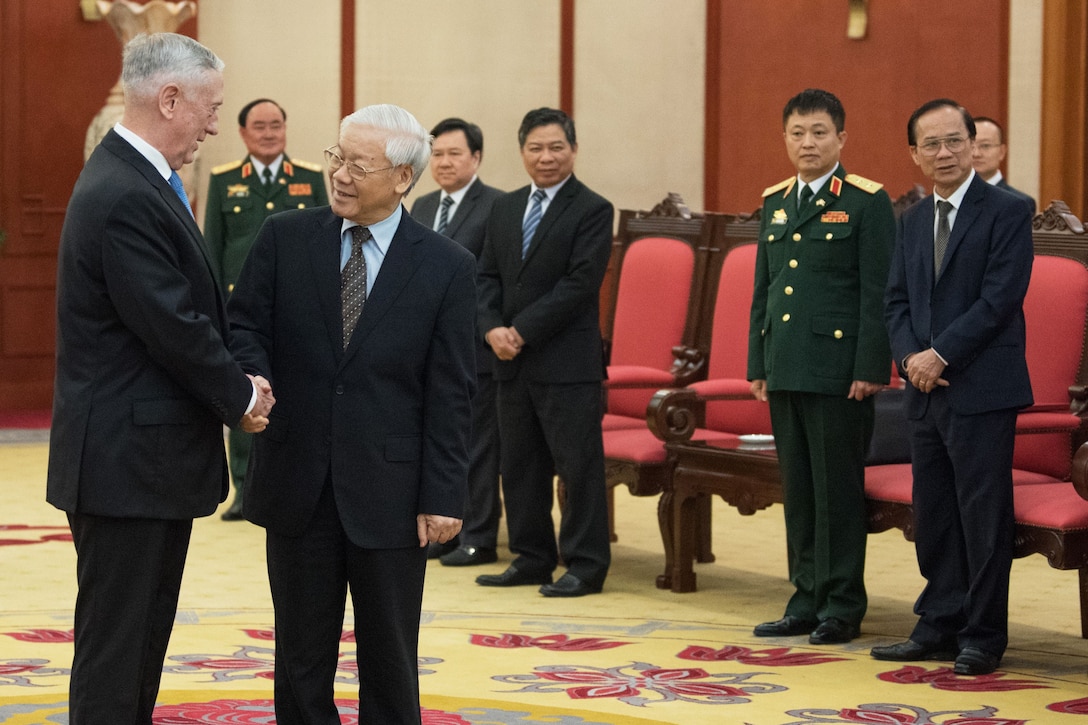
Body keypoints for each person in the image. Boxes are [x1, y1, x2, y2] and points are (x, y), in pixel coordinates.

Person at [46, 32, 273, 723]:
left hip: (141, 463)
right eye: (210, 106)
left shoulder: (136, 177)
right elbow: (172, 323)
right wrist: (240, 394)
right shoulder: (124, 192)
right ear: (169, 98)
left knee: (140, 640)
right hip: (126, 466)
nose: (214, 122)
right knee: (117, 651)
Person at [227, 104, 476, 723]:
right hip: (297, 481)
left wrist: (444, 493)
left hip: (391, 489)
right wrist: (253, 377)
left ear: (401, 178)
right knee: (301, 654)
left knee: (390, 654)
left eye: (357, 165)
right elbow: (245, 325)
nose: (338, 174)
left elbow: (451, 389)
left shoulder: (446, 266)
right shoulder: (285, 236)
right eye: (337, 156)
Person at [874, 99, 1034, 675]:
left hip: (981, 389)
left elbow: (1000, 299)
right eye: (931, 145)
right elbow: (895, 301)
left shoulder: (1010, 211)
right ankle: (938, 622)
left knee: (982, 517)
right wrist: (910, 358)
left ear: (973, 144)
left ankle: (983, 636)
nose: (944, 153)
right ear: (914, 154)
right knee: (935, 512)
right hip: (923, 390)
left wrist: (940, 355)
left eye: (954, 141)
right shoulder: (913, 218)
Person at [747, 88, 894, 645]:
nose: (807, 143)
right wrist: (758, 362)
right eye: (797, 133)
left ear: (841, 138)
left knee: (836, 491)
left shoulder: (865, 201)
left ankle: (841, 604)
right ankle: (804, 596)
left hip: (839, 372)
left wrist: (869, 365)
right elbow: (764, 291)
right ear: (785, 138)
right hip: (786, 366)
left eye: (818, 132)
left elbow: (877, 292)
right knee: (801, 490)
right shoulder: (776, 200)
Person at [475, 107, 613, 597]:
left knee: (578, 469)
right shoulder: (505, 208)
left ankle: (586, 563)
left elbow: (579, 285)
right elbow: (485, 276)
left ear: (573, 150)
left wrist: (521, 330)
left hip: (566, 363)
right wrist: (492, 328)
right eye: (536, 147)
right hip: (510, 362)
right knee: (520, 465)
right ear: (522, 152)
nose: (546, 157)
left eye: (556, 147)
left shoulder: (593, 209)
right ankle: (532, 557)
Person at [204, 97, 328, 521]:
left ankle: (291, 482)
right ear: (242, 133)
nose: (269, 132)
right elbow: (212, 252)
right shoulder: (225, 181)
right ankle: (243, 488)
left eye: (277, 124)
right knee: (243, 393)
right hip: (243, 313)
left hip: (297, 311)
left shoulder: (310, 177)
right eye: (260, 126)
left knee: (292, 400)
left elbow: (326, 244)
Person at [409, 117, 505, 566]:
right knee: (440, 443)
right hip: (426, 349)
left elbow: (491, 281)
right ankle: (444, 531)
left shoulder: (497, 207)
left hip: (474, 348)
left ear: (477, 158)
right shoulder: (422, 205)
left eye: (454, 154)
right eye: (438, 155)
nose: (444, 163)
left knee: (479, 445)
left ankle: (479, 535)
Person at [971, 115, 1036, 215]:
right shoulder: (951, 197)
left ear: (1002, 152)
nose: (976, 154)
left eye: (985, 146)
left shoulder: (1020, 202)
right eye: (971, 146)